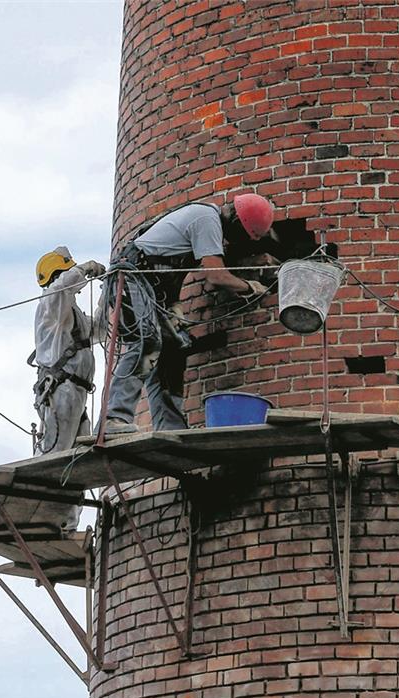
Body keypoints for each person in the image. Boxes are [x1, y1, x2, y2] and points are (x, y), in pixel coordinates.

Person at [99, 193, 274, 434]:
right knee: (147, 342)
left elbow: (173, 269)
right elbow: (216, 275)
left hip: (149, 288)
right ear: (237, 225)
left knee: (172, 350)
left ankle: (169, 427)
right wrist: (249, 287)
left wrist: (174, 305)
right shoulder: (207, 219)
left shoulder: (204, 222)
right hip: (130, 279)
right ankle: (112, 419)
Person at [32, 247, 106, 528]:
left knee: (77, 460)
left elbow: (97, 331)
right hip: (60, 389)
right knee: (56, 454)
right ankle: (42, 518)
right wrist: (86, 268)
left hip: (76, 393)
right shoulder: (50, 302)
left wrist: (105, 298)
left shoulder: (70, 312)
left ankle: (66, 523)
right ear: (58, 275)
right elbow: (63, 286)